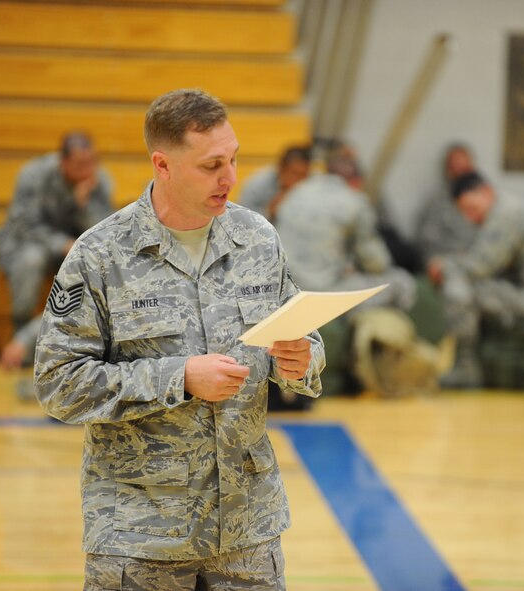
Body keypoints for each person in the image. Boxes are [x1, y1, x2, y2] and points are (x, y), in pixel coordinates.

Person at [34, 89, 325, 590]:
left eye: (233, 159)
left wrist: (302, 360)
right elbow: (58, 384)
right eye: (211, 165)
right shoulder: (100, 255)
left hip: (247, 532)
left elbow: (300, 333)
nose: (229, 177)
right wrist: (180, 377)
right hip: (140, 534)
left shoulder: (257, 238)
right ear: (163, 165)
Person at [439, 171, 524, 388]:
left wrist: (444, 265)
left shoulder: (506, 214)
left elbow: (479, 267)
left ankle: (465, 368)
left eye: (471, 209)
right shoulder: (508, 208)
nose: (470, 218)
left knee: (460, 284)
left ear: (486, 192)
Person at [0, 131, 114, 331]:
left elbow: (102, 230)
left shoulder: (100, 179)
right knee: (32, 259)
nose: (88, 169)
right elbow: (24, 225)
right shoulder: (33, 175)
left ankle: (89, 332)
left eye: (92, 161)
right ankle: (22, 331)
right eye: (80, 164)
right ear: (63, 161)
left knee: (100, 260)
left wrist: (82, 205)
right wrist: (62, 244)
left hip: (74, 247)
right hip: (28, 242)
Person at [274, 143, 416, 311]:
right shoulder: (354, 201)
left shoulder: (296, 192)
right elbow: (376, 263)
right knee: (402, 281)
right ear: (356, 181)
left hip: (285, 289)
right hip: (321, 291)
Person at [415, 143, 478, 286]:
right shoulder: (437, 203)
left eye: (465, 167)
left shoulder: (485, 199)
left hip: (480, 267)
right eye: (456, 166)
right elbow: (427, 245)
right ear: (448, 170)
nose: (462, 172)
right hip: (449, 270)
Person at [237, 144, 312, 222]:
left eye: (304, 176)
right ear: (280, 168)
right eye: (294, 174)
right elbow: (241, 219)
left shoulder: (312, 184)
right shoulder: (257, 185)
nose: (299, 182)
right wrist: (269, 212)